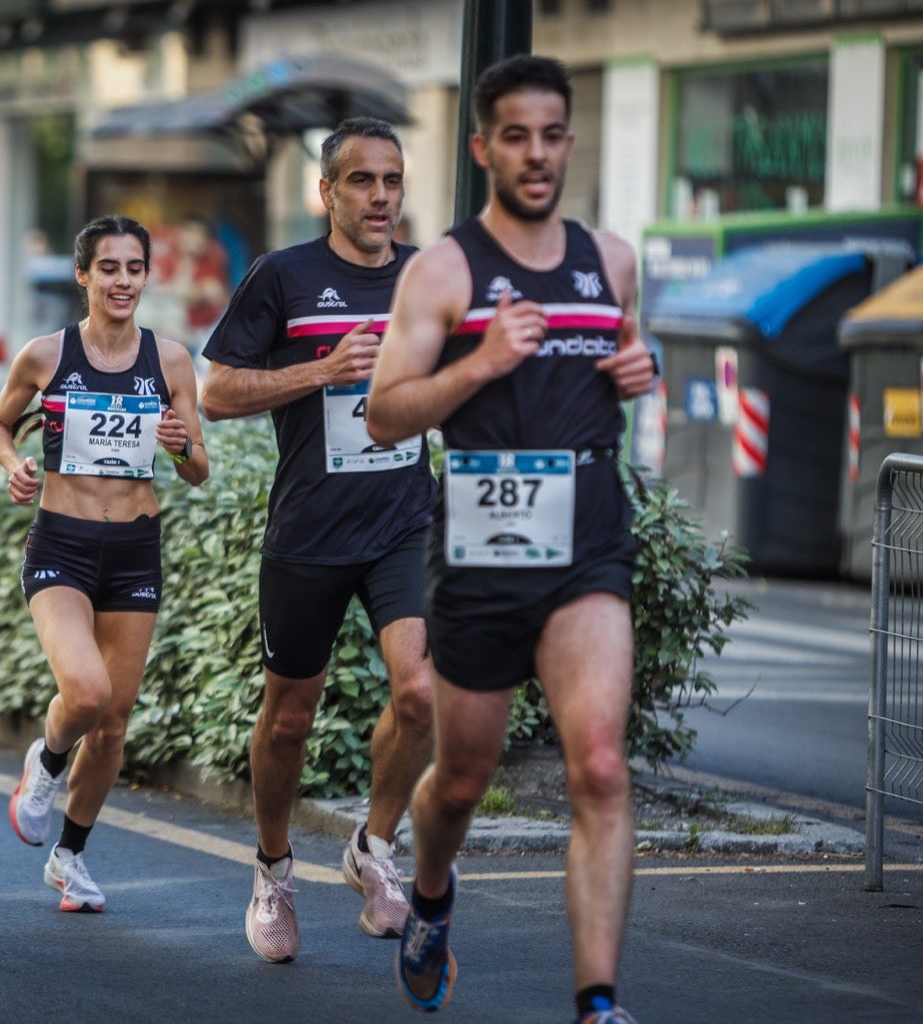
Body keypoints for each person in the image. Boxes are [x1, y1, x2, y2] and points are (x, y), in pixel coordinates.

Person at [365, 55, 656, 1021]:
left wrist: (635, 367)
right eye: (516, 136)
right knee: (460, 778)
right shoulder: (443, 269)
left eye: (553, 134)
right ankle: (433, 897)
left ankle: (599, 1004)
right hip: (485, 547)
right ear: (485, 146)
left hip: (587, 542)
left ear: (571, 141)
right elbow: (384, 415)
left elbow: (618, 354)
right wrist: (480, 362)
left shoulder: (610, 260)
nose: (537, 155)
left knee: (602, 767)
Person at [199, 116, 436, 963]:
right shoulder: (284, 276)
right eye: (363, 181)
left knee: (422, 695)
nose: (380, 196)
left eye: (393, 181)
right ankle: (273, 870)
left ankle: (373, 847)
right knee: (290, 715)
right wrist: (321, 371)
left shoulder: (425, 275)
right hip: (309, 529)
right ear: (327, 192)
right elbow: (218, 391)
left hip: (405, 519)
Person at [0, 214, 208, 913]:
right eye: (107, 268)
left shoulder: (170, 361)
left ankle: (70, 857)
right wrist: (14, 463)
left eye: (133, 268)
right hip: (62, 544)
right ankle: (44, 766)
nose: (122, 281)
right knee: (85, 692)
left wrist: (178, 446)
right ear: (84, 276)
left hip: (135, 548)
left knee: (113, 723)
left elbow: (197, 469)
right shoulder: (45, 356)